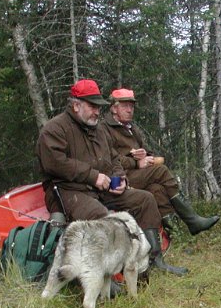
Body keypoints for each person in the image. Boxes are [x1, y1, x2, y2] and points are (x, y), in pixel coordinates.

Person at [36, 79, 187, 275]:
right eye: (92, 106)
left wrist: (120, 177)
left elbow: (114, 159)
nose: (97, 111)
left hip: (102, 188)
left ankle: (154, 260)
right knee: (103, 218)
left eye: (99, 106)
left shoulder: (98, 130)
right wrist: (93, 176)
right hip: (68, 191)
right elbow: (55, 163)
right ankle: (107, 276)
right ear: (76, 105)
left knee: (145, 200)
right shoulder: (54, 129)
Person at [103, 88, 219, 236]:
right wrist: (135, 162)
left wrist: (146, 155)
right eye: (125, 105)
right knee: (161, 171)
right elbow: (108, 158)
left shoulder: (132, 129)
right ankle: (192, 219)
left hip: (137, 175)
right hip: (120, 179)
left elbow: (146, 151)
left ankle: (174, 234)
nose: (130, 110)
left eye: (132, 106)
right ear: (114, 108)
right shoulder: (104, 129)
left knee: (157, 188)